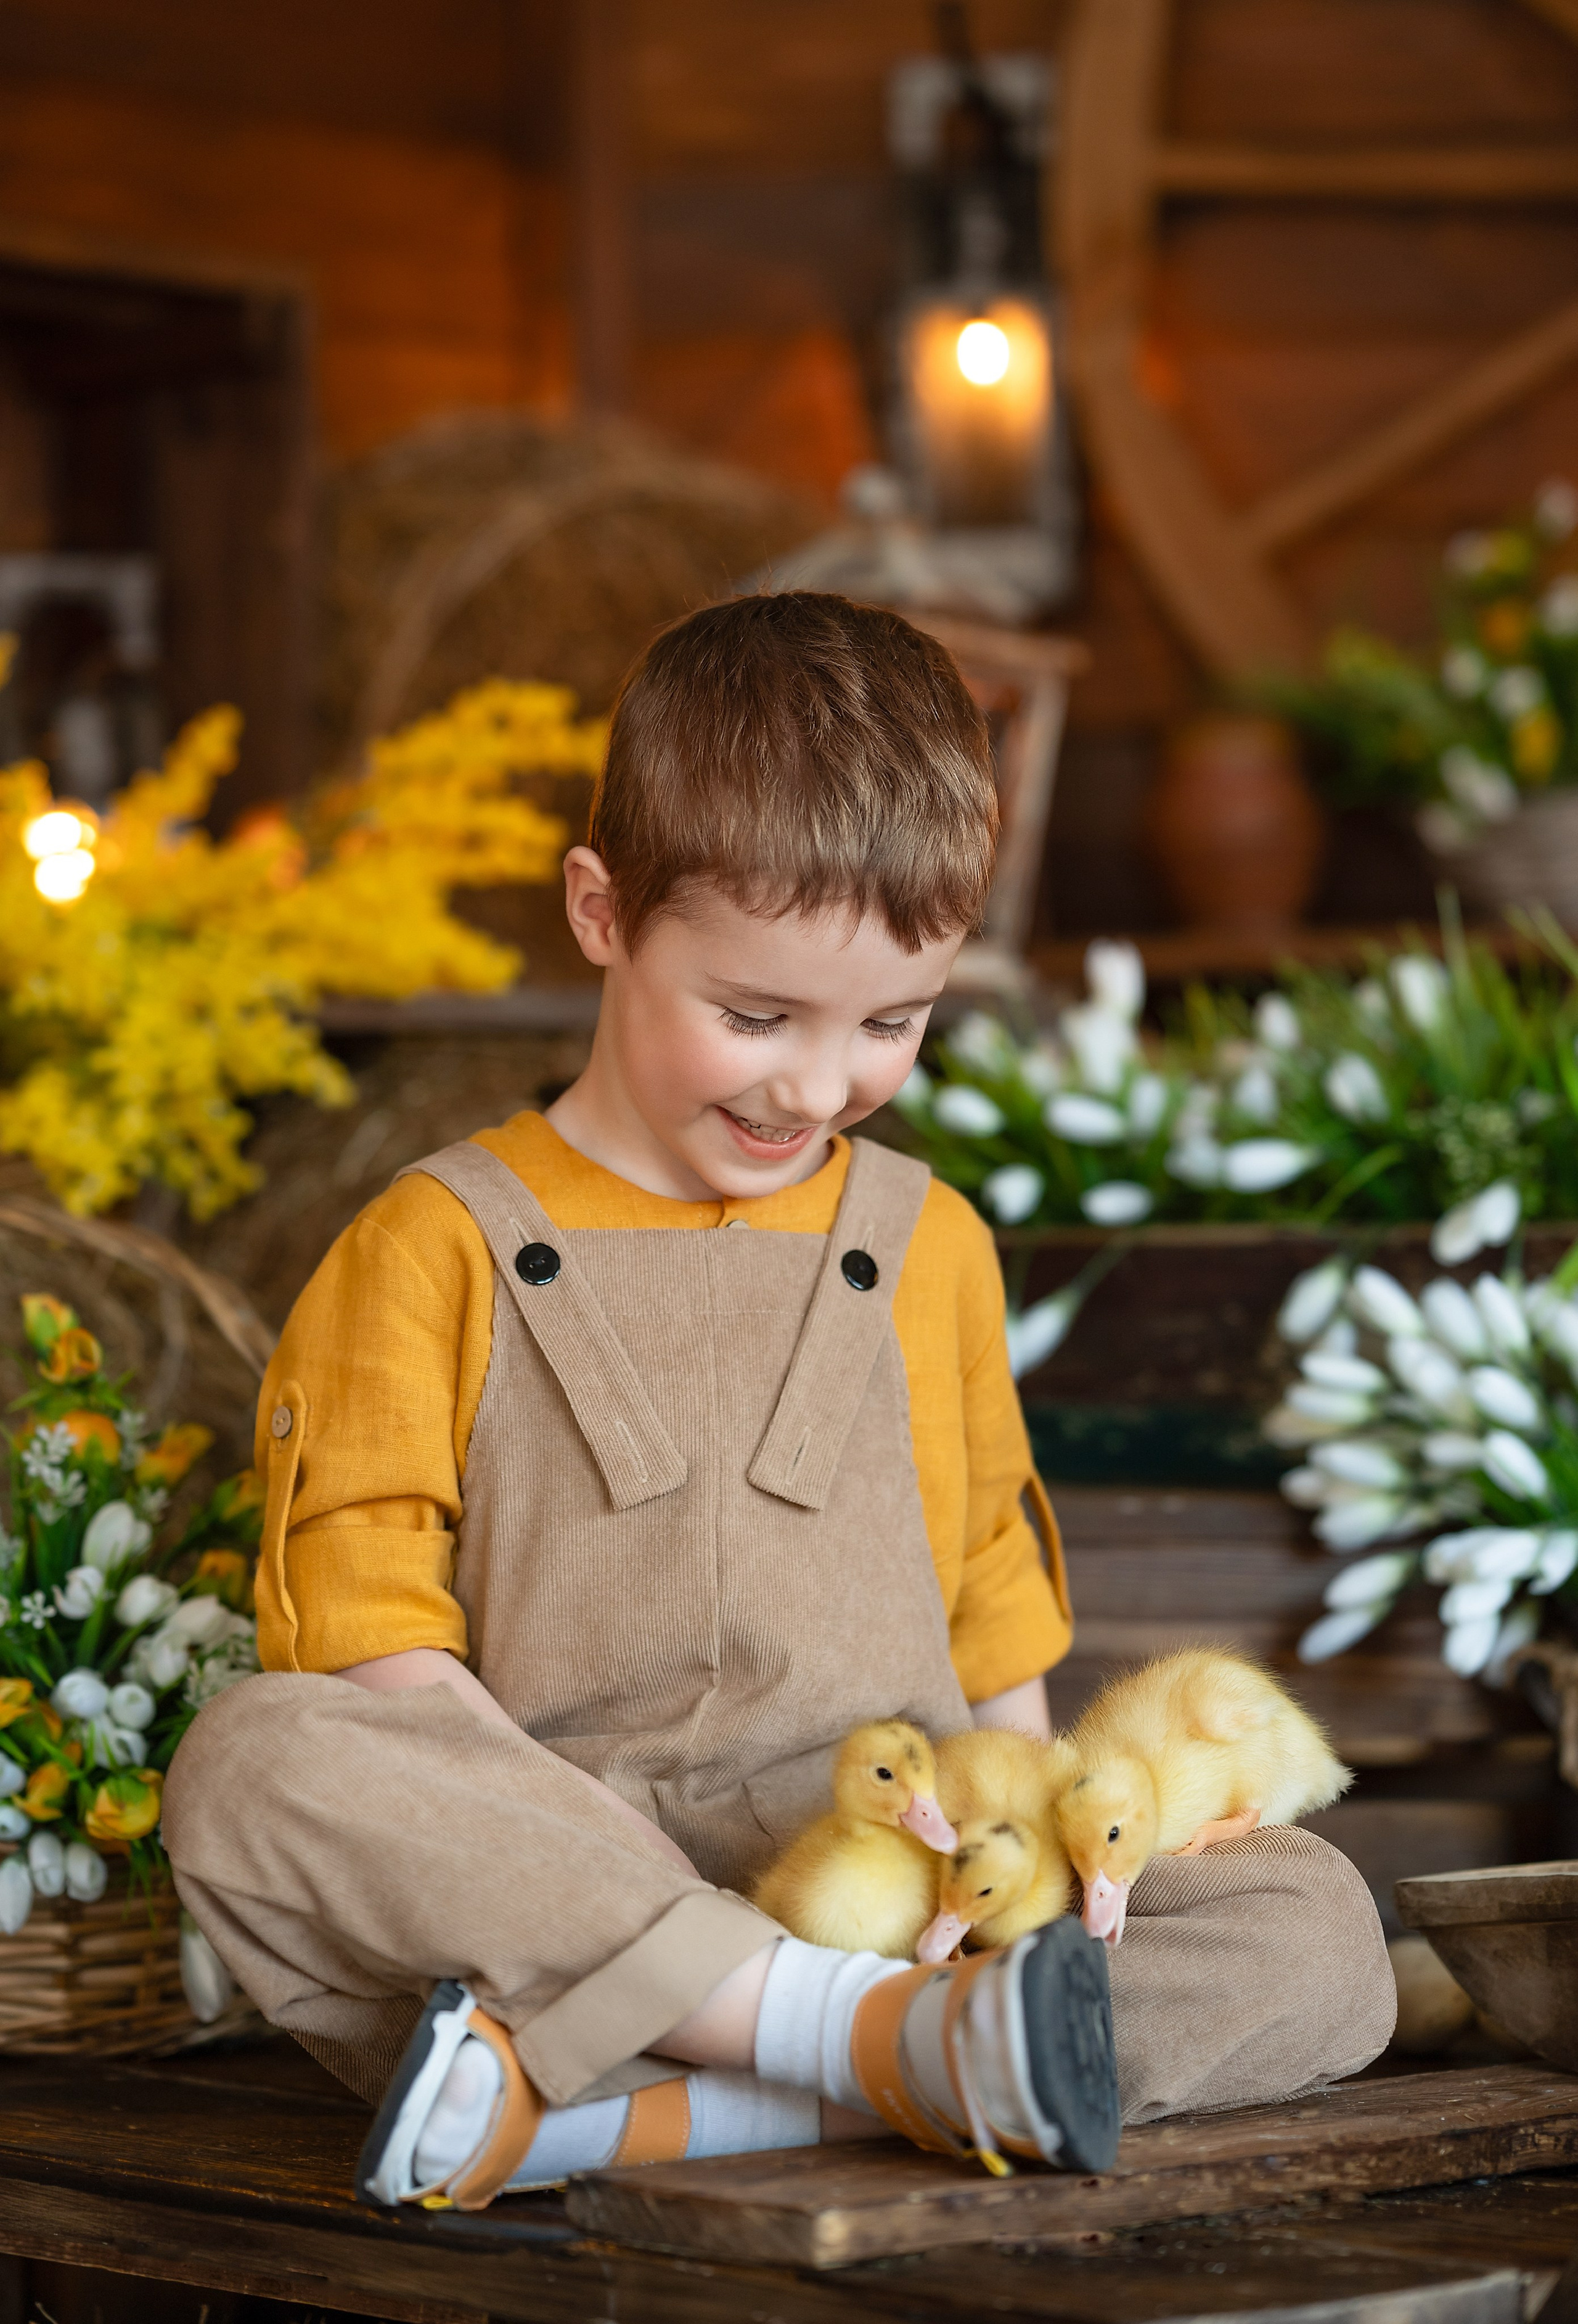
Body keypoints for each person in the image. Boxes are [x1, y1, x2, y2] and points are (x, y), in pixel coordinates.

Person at [163, 593, 1394, 2212]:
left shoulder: (933, 1245)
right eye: (754, 1017)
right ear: (601, 912)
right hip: (565, 1891)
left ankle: (700, 2094)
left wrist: (1027, 1884)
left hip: (903, 1867)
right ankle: (865, 2046)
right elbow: (370, 1644)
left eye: (892, 1023)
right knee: (251, 1763)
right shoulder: (429, 1245)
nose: (816, 1087)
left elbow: (989, 1607)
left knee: (1319, 1930)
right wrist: (631, 1904)